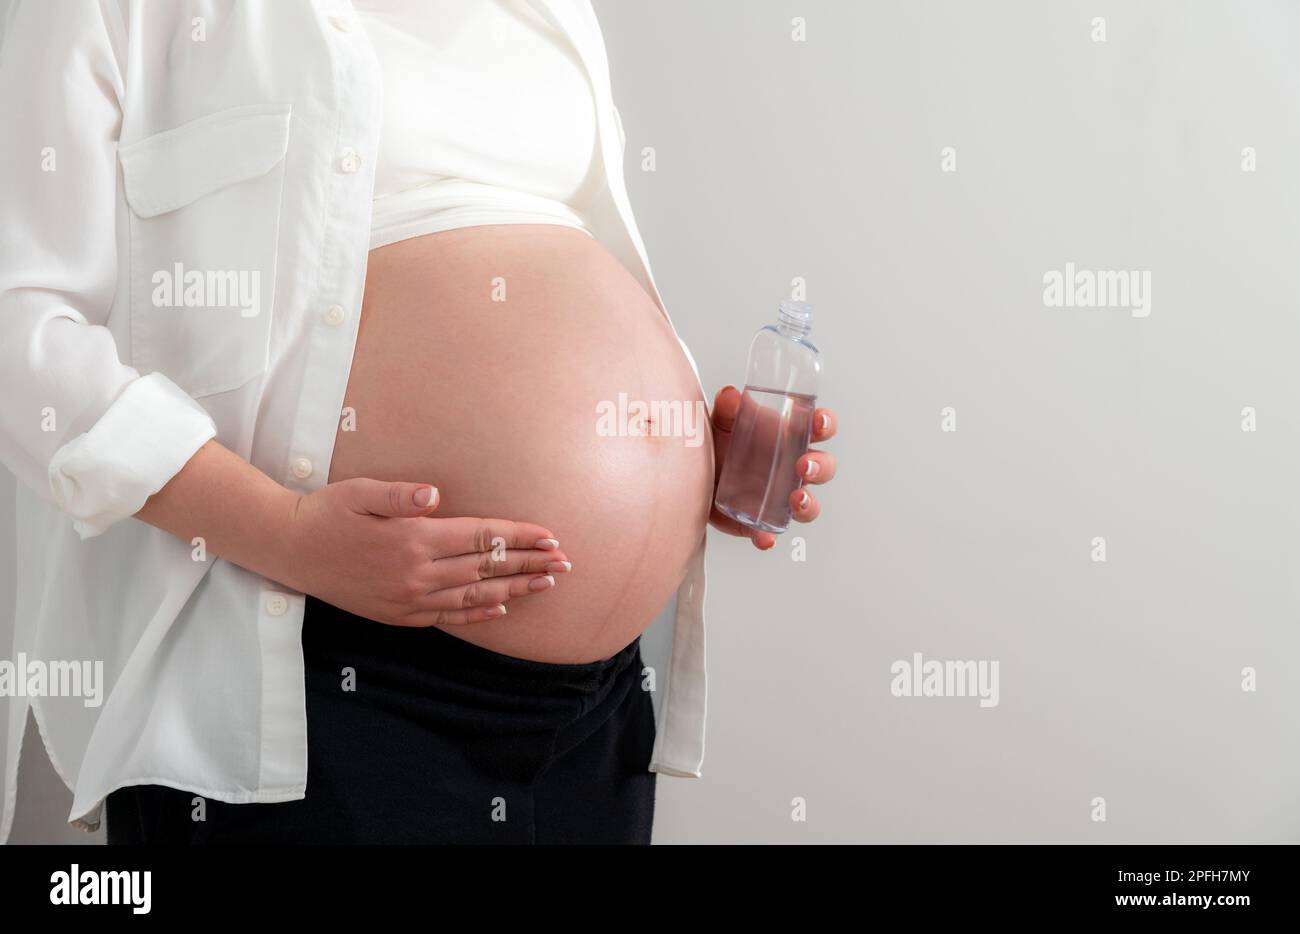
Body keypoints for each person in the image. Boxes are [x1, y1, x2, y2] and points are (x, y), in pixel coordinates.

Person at [0, 0, 838, 844]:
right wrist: (287, 531)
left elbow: (549, 246)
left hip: (600, 714)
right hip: (321, 664)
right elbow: (20, 327)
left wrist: (677, 443)